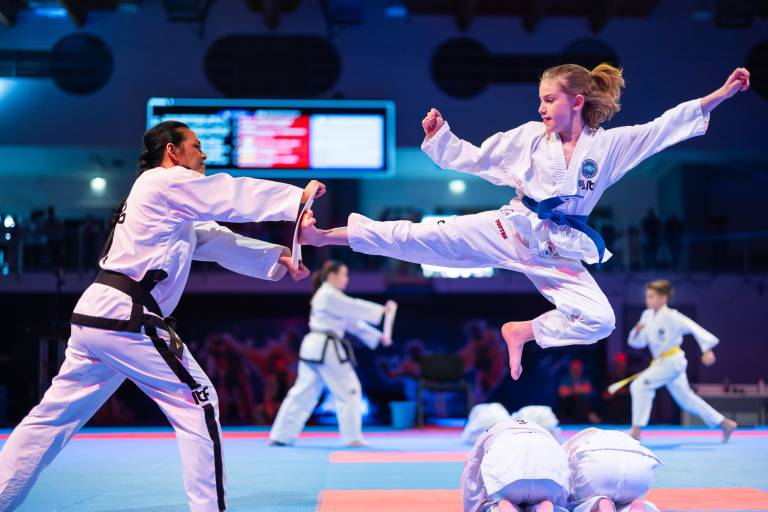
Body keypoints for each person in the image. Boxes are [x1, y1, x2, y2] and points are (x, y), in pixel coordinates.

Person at [297, 65, 751, 381]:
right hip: (512, 229)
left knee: (601, 321)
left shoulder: (609, 147)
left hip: (559, 249)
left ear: (577, 101)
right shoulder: (531, 138)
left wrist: (721, 94)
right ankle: (322, 235)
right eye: (540, 101)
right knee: (419, 238)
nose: (542, 108)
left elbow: (663, 128)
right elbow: (478, 159)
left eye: (549, 100)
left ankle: (523, 331)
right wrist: (442, 139)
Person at [0, 120, 322, 512]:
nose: (204, 154)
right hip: (125, 314)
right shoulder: (163, 181)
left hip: (98, 316)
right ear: (172, 151)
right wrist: (296, 199)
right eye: (196, 145)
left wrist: (277, 256)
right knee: (198, 402)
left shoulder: (164, 201)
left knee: (51, 419)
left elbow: (211, 238)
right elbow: (226, 193)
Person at [269, 260, 397, 447]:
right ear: (332, 275)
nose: (346, 279)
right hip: (325, 348)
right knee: (349, 389)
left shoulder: (331, 298)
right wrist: (382, 311)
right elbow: (353, 307)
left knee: (303, 393)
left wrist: (378, 337)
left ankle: (281, 435)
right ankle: (352, 437)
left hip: (315, 347)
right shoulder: (328, 294)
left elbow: (352, 323)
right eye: (344, 274)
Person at [625, 279, 737, 442]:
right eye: (647, 296)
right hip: (661, 362)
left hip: (672, 361)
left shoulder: (672, 316)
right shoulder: (646, 316)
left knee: (639, 385)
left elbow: (693, 327)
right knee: (686, 400)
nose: (647, 300)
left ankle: (636, 430)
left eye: (651, 296)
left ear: (663, 298)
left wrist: (706, 349)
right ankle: (725, 423)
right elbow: (638, 343)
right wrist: (636, 331)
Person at [462, 417, 570, 512]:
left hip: (509, 478)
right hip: (549, 476)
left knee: (495, 499)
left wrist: (474, 508)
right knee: (547, 496)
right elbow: (564, 467)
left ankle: (502, 505)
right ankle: (544, 503)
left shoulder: (488, 433)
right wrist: (559, 502)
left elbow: (471, 470)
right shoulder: (543, 431)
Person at [563, 428, 661, 512]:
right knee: (628, 496)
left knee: (573, 501)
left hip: (598, 469)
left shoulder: (571, 445)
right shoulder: (621, 438)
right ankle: (632, 505)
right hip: (639, 471)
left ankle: (597, 503)